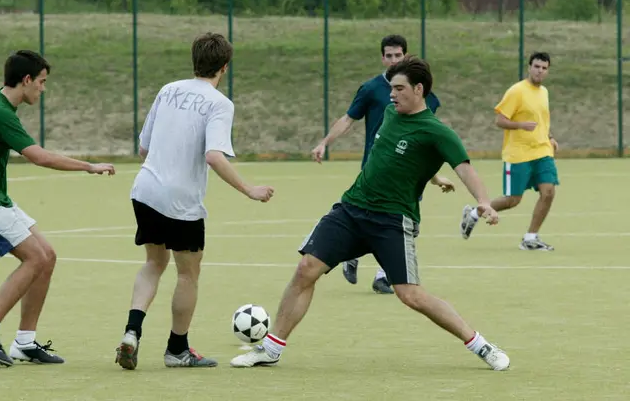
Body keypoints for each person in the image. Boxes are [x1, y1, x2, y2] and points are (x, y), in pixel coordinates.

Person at [230, 56, 510, 371]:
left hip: (392, 221)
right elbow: (394, 156)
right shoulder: (391, 113)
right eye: (391, 88)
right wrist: (432, 176)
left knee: (410, 295)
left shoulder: (437, 131)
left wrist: (483, 201)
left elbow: (464, 168)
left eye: (399, 88)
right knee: (306, 268)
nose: (392, 95)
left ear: (419, 89)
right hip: (351, 210)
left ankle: (481, 345)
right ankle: (271, 348)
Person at [0, 50, 116, 367]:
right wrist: (88, 166)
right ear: (26, 80)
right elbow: (39, 157)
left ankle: (24, 342)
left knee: (47, 256)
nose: (43, 88)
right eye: (41, 82)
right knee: (35, 258)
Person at [115, 33, 275, 370]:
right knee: (188, 273)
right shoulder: (220, 103)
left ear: (194, 60)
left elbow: (143, 148)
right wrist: (249, 189)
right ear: (224, 67)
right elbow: (214, 156)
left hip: (144, 190)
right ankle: (177, 349)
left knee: (153, 264)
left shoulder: (168, 89)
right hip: (180, 201)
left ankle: (132, 332)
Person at [311, 34, 442, 294]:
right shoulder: (371, 89)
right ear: (382, 58)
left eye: (398, 55)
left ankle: (372, 266)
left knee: (402, 222)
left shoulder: (425, 96)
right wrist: (325, 142)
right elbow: (348, 119)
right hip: (375, 170)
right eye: (389, 55)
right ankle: (380, 272)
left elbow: (424, 141)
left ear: (406, 55)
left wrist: (434, 177)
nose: (393, 59)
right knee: (378, 219)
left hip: (407, 174)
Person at [460, 52, 558, 251]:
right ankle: (474, 214)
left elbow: (541, 120)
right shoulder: (517, 91)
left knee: (548, 192)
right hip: (518, 154)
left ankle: (530, 238)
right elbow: (499, 120)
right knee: (512, 200)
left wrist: (549, 137)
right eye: (536, 66)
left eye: (544, 68)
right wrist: (520, 124)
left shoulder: (544, 92)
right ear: (529, 67)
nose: (540, 71)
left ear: (548, 71)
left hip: (542, 151)